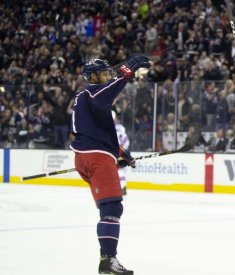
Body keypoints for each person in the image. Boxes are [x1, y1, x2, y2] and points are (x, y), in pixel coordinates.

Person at [70, 56, 151, 275]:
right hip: (96, 157)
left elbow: (95, 131)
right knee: (112, 208)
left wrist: (120, 152)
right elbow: (103, 99)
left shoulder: (85, 99)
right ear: (93, 77)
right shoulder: (92, 93)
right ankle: (108, 260)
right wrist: (127, 71)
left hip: (88, 155)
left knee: (109, 208)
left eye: (109, 73)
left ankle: (107, 257)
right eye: (104, 74)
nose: (107, 77)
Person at [113, 111, 130, 196]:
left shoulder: (108, 129)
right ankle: (123, 187)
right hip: (123, 151)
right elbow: (127, 141)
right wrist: (125, 152)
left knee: (117, 170)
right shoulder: (121, 128)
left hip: (115, 152)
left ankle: (120, 188)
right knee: (121, 171)